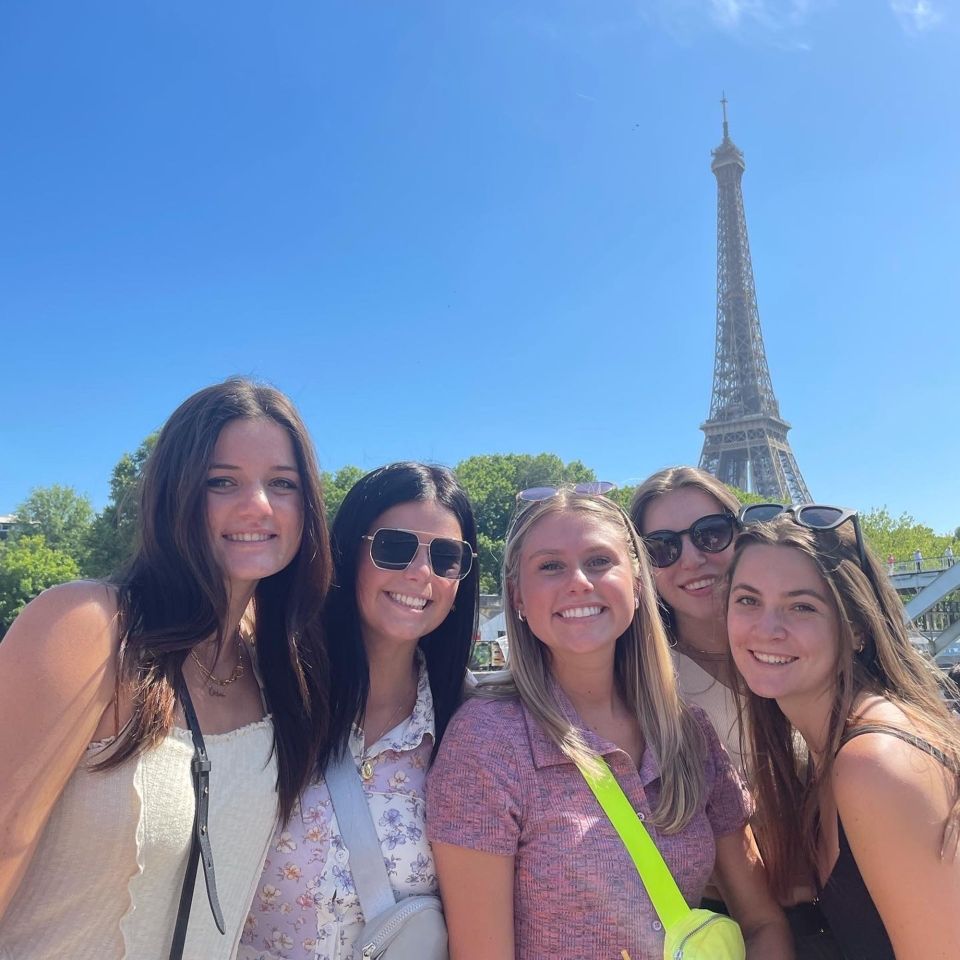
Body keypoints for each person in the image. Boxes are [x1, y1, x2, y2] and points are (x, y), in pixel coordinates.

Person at [0, 378, 333, 959]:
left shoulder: (279, 668)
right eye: (220, 481)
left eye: (283, 484)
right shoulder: (89, 628)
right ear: (174, 493)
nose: (257, 505)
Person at [427, 486, 791, 959]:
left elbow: (762, 921)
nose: (578, 581)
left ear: (638, 585)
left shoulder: (689, 734)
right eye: (550, 566)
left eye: (600, 561)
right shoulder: (487, 741)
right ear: (517, 597)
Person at [239, 462, 480, 960]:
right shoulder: (264, 685)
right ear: (348, 553)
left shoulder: (472, 723)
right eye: (394, 547)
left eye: (446, 556)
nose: (420, 573)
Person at [727, 508, 960, 959]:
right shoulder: (825, 754)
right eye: (748, 600)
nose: (767, 629)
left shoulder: (875, 764)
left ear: (855, 629)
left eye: (801, 607)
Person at [631, 469, 841, 958]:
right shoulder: (639, 687)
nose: (692, 559)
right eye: (661, 547)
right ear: (641, 564)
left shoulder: (797, 649)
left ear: (741, 532)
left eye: (710, 533)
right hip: (734, 928)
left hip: (855, 900)